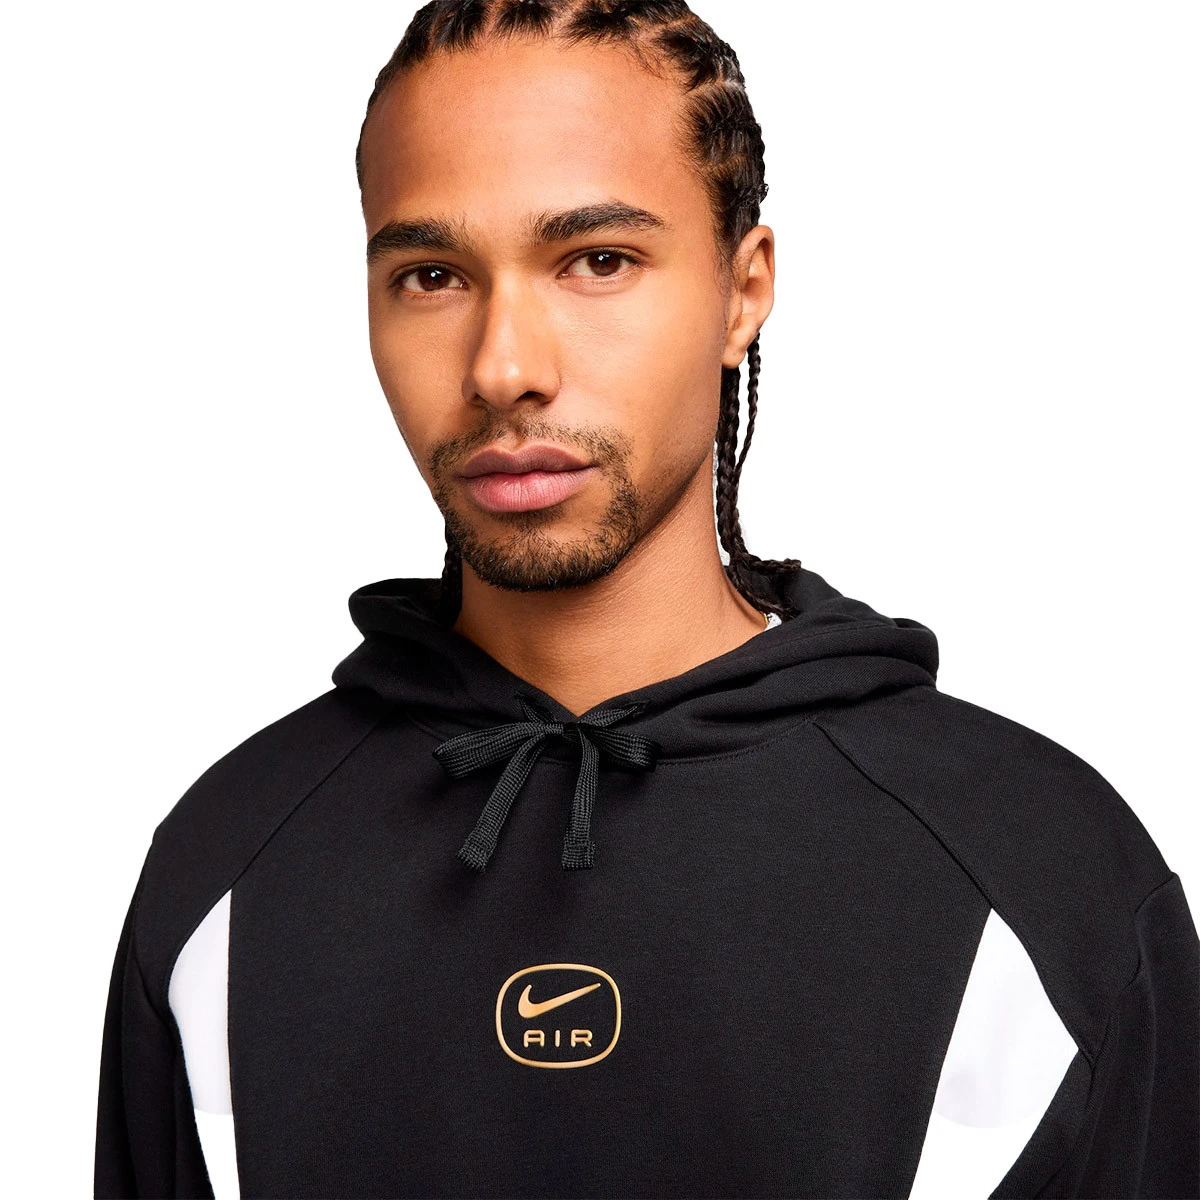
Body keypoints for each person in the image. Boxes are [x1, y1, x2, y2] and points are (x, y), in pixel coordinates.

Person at [94, 2, 1199, 1197]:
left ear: (742, 289)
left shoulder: (1042, 879)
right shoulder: (230, 868)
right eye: (431, 275)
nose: (504, 367)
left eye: (598, 261)